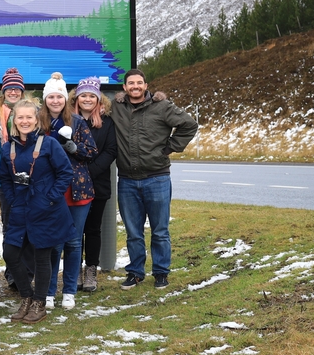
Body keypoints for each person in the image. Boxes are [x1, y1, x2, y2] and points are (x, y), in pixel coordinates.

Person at [113, 69, 198, 290]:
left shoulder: (162, 107)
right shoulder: (117, 108)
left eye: (139, 83)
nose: (135, 86)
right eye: (130, 83)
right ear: (124, 87)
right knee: (133, 232)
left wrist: (170, 147)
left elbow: (189, 125)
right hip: (127, 181)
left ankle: (161, 273)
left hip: (157, 178)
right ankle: (135, 272)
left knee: (160, 231)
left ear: (145, 85)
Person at [0, 100, 75, 324]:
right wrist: (13, 200)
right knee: (10, 253)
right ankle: (27, 297)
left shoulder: (49, 144)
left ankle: (39, 303)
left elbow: (65, 173)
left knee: (42, 257)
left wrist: (50, 198)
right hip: (20, 209)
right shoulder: (7, 148)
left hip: (46, 210)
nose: (24, 121)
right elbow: (4, 178)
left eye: (28, 117)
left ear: (36, 119)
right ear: (14, 120)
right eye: (20, 117)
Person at [40, 72, 97, 311]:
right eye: (51, 97)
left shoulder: (77, 122)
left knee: (74, 243)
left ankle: (70, 290)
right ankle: (49, 290)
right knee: (54, 243)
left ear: (65, 98)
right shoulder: (39, 123)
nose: (55, 101)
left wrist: (73, 147)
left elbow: (91, 151)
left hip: (78, 190)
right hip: (51, 190)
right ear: (45, 99)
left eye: (59, 96)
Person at [72, 77, 118, 292]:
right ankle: (75, 270)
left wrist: (87, 172)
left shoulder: (107, 122)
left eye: (92, 95)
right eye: (84, 95)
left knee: (92, 229)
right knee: (74, 230)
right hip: (72, 185)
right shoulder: (68, 120)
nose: (87, 99)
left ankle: (91, 269)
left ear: (99, 99)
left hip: (98, 184)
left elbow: (110, 151)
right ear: (77, 98)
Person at [0, 68, 27, 290]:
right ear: (4, 91)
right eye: (9, 88)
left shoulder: (32, 111)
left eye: (17, 88)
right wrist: (2, 166)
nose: (13, 91)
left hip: (29, 179)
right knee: (11, 226)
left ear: (22, 91)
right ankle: (12, 272)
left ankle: (28, 269)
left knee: (30, 224)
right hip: (5, 181)